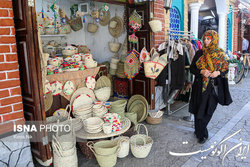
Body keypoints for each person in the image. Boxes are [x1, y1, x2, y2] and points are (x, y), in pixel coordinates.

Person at [188, 30, 229, 144]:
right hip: (199, 85)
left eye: (209, 39)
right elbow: (192, 69)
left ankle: (201, 129)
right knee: (198, 109)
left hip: (213, 86)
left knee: (209, 109)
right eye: (205, 39)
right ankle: (200, 133)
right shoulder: (199, 53)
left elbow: (225, 69)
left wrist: (218, 73)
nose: (206, 41)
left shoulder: (220, 54)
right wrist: (201, 71)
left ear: (214, 39)